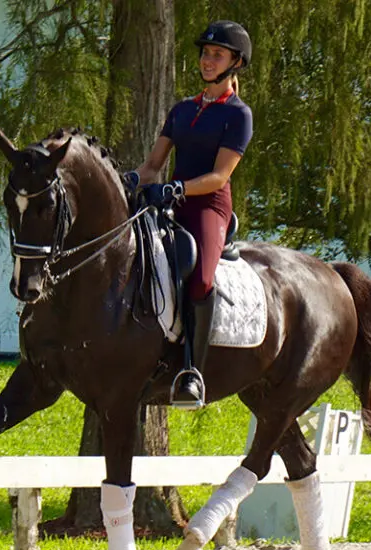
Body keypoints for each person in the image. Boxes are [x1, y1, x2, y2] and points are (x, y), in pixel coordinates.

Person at [125, 20, 253, 409]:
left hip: (208, 205)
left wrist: (178, 187)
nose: (208, 60)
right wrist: (126, 181)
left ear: (235, 63)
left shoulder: (238, 115)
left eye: (217, 55)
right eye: (205, 53)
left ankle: (192, 373)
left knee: (199, 279)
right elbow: (152, 166)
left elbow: (218, 177)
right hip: (171, 201)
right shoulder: (181, 110)